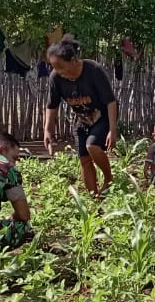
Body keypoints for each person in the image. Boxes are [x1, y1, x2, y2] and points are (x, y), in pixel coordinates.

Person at [42, 34, 117, 195]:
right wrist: (47, 130)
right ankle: (94, 197)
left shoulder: (93, 70)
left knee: (92, 146)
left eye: (62, 68)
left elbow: (111, 101)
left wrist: (112, 130)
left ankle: (109, 178)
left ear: (73, 60)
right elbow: (52, 105)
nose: (60, 72)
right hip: (82, 119)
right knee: (84, 159)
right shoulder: (56, 78)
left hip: (102, 116)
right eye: (55, 68)